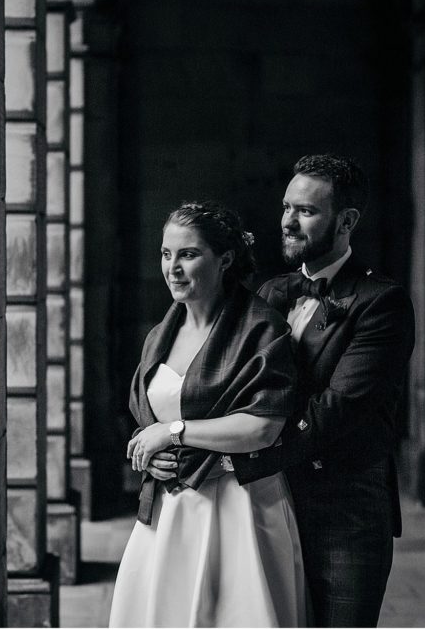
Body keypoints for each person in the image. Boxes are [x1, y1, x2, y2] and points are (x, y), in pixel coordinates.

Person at [233, 153, 416, 626]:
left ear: (346, 221)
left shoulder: (382, 303)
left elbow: (338, 409)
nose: (288, 222)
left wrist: (239, 455)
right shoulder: (272, 293)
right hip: (269, 503)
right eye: (286, 207)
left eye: (306, 211)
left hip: (345, 516)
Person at [109, 201, 308, 628]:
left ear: (225, 260)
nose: (173, 268)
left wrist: (173, 433)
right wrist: (149, 452)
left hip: (240, 507)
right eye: (166, 254)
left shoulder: (261, 328)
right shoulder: (160, 335)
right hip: (169, 510)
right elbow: (148, 421)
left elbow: (263, 426)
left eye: (188, 254)